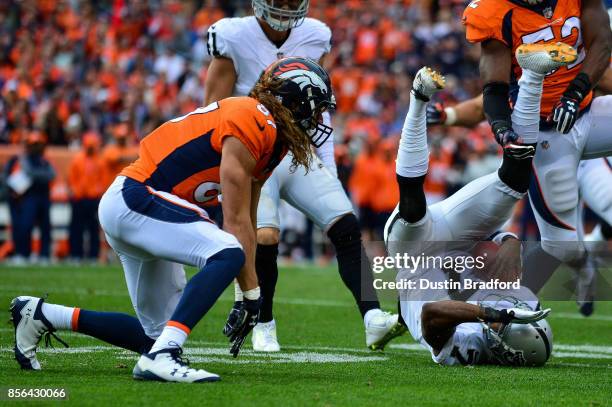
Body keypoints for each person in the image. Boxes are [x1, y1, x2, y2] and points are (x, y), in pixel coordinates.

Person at [11, 57, 334, 383]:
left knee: (156, 336)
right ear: (294, 101)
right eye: (316, 107)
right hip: (136, 196)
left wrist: (248, 295)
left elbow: (247, 219)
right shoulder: (254, 119)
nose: (320, 118)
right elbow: (234, 223)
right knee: (226, 251)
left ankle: (41, 314)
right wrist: (252, 295)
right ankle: (163, 358)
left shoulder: (271, 140)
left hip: (140, 209)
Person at [205, 0, 403, 353]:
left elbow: (319, 107)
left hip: (297, 150)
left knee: (344, 224)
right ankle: (263, 323)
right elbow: (211, 112)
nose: (283, 6)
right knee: (264, 235)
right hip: (250, 152)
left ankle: (372, 317)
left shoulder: (314, 35)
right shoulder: (232, 35)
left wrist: (327, 163)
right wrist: (222, 172)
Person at [385, 44, 568, 366]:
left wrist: (491, 314)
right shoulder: (523, 305)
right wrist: (508, 239)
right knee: (514, 182)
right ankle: (533, 76)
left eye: (504, 324)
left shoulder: (463, 348)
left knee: (413, 208)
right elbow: (507, 266)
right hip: (460, 238)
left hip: (412, 256)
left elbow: (433, 312)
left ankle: (418, 98)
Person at [462, 0, 612, 269]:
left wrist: (575, 93)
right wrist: (501, 127)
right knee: (562, 247)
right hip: (545, 134)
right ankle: (584, 266)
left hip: (588, 110)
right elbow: (493, 88)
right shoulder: (495, 11)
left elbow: (602, 41)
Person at [3, 131, 55, 264]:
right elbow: (28, 172)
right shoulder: (19, 159)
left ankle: (44, 254)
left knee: (45, 227)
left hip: (43, 196)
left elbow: (51, 174)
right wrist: (40, 175)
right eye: (34, 144)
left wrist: (36, 175)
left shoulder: (44, 161)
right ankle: (23, 253)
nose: (37, 148)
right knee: (25, 226)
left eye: (38, 144)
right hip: (28, 198)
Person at [67, 132, 107, 262]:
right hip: (79, 199)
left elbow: (103, 180)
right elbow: (71, 179)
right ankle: (75, 255)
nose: (91, 147)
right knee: (76, 228)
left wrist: (98, 191)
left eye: (92, 145)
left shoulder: (100, 161)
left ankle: (93, 256)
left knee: (93, 229)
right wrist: (74, 191)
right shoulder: (77, 160)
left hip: (93, 199)